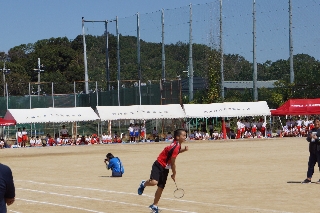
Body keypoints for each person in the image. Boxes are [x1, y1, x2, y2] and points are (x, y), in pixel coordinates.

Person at [137, 129, 188, 213]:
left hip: (165, 168)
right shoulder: (176, 146)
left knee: (160, 187)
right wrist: (174, 174)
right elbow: (173, 162)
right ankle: (143, 183)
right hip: (159, 164)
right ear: (177, 137)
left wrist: (184, 150)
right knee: (154, 182)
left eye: (185, 135)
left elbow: (175, 151)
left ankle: (154, 205)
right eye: (183, 135)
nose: (185, 137)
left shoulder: (177, 144)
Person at [302, 117, 320, 184]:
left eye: (318, 122)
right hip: (312, 151)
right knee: (310, 165)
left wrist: (317, 138)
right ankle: (308, 178)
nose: (316, 123)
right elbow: (307, 139)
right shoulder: (311, 130)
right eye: (315, 122)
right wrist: (309, 137)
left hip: (319, 150)